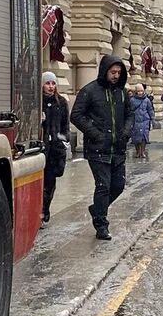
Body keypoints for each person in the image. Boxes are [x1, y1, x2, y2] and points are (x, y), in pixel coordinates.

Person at [71, 54, 131, 240]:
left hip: (118, 148)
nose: (116, 76)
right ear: (105, 71)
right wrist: (95, 134)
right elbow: (77, 115)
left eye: (118, 73)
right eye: (113, 72)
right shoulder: (90, 91)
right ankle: (101, 225)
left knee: (118, 186)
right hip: (98, 149)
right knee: (103, 186)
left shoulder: (122, 93)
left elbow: (130, 115)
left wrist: (126, 131)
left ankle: (97, 209)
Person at [39, 72, 71, 227]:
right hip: (40, 149)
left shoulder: (62, 102)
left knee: (50, 183)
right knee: (41, 181)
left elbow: (65, 125)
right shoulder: (36, 102)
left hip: (55, 149)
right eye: (47, 83)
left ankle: (45, 210)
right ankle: (40, 211)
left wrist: (63, 139)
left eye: (53, 83)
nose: (51, 87)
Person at [129, 83, 155, 160]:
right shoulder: (132, 100)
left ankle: (142, 151)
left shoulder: (146, 100)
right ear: (136, 91)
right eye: (138, 91)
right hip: (136, 121)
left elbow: (150, 109)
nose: (140, 92)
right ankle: (137, 151)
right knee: (136, 137)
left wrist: (152, 117)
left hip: (145, 121)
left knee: (144, 137)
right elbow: (130, 110)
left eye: (141, 91)